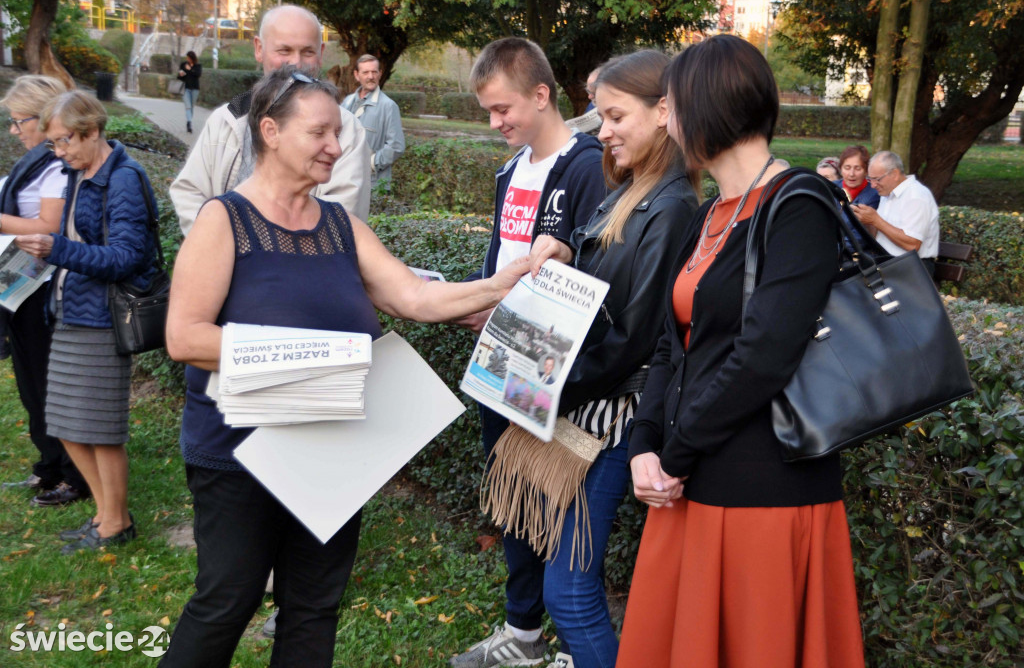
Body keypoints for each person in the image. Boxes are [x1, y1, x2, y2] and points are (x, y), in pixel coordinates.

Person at [159, 66, 530, 668]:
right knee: (228, 598)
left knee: (314, 604)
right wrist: (306, 353)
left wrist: (502, 283)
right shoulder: (222, 221)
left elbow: (414, 298)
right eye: (321, 132)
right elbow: (185, 337)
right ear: (271, 131)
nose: (337, 145)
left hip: (333, 450)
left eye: (341, 132)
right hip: (237, 453)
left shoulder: (340, 225)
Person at [617, 35, 864, 668]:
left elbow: (764, 355)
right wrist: (644, 443)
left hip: (763, 489)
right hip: (690, 476)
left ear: (706, 107)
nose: (666, 120)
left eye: (671, 105)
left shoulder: (797, 203)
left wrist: (672, 454)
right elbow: (672, 347)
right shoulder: (710, 214)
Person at [511, 49, 699, 668]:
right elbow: (604, 290)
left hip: (612, 420)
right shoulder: (635, 189)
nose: (604, 130)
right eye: (599, 115)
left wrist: (542, 387)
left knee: (568, 592)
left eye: (616, 115)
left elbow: (637, 340)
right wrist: (566, 252)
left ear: (665, 112)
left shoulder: (670, 206)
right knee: (566, 585)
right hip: (593, 407)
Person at [449, 37, 606, 668]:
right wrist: (485, 307)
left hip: (558, 375)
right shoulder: (511, 171)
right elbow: (504, 262)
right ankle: (522, 632)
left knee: (561, 509)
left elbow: (596, 279)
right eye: (488, 112)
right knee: (511, 494)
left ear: (542, 95)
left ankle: (572, 642)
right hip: (501, 361)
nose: (495, 124)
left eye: (502, 108)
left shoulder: (589, 165)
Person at [15, 91, 159, 554]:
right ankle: (104, 513)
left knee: (98, 427)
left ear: (93, 131)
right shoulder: (80, 172)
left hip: (102, 319)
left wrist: (55, 249)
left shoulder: (124, 179)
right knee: (65, 421)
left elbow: (125, 257)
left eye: (63, 142)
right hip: (73, 311)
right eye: (55, 143)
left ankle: (115, 523)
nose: (58, 153)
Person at [170, 4, 371, 235]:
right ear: (258, 48)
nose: (296, 63)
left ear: (322, 53)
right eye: (284, 51)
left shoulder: (346, 130)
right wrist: (216, 247)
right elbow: (189, 191)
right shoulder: (227, 119)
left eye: (308, 52)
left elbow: (339, 219)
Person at [0, 75, 90, 507]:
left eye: (19, 121)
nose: (14, 131)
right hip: (21, 284)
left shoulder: (55, 163)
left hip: (44, 286)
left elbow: (48, 227)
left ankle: (71, 475)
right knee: (30, 383)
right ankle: (49, 464)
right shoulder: (33, 161)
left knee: (49, 382)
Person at [851, 150, 940, 275]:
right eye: (870, 180)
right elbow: (880, 236)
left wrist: (876, 220)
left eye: (877, 179)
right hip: (887, 264)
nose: (873, 185)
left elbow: (912, 245)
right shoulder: (887, 194)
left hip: (913, 269)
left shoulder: (916, 195)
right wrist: (865, 220)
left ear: (894, 174)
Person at [341, 54, 405, 190]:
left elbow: (396, 146)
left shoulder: (388, 106)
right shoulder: (347, 101)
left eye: (374, 72)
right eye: (365, 72)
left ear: (380, 74)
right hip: (344, 179)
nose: (371, 76)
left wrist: (370, 163)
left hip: (372, 184)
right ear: (357, 75)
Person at [177, 50, 202, 134]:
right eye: (187, 58)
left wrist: (190, 69)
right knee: (188, 106)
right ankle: (189, 123)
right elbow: (179, 77)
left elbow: (198, 74)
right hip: (186, 88)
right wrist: (181, 74)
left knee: (191, 106)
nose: (188, 59)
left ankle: (189, 120)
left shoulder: (198, 66)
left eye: (189, 58)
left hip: (195, 89)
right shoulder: (183, 65)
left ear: (193, 58)